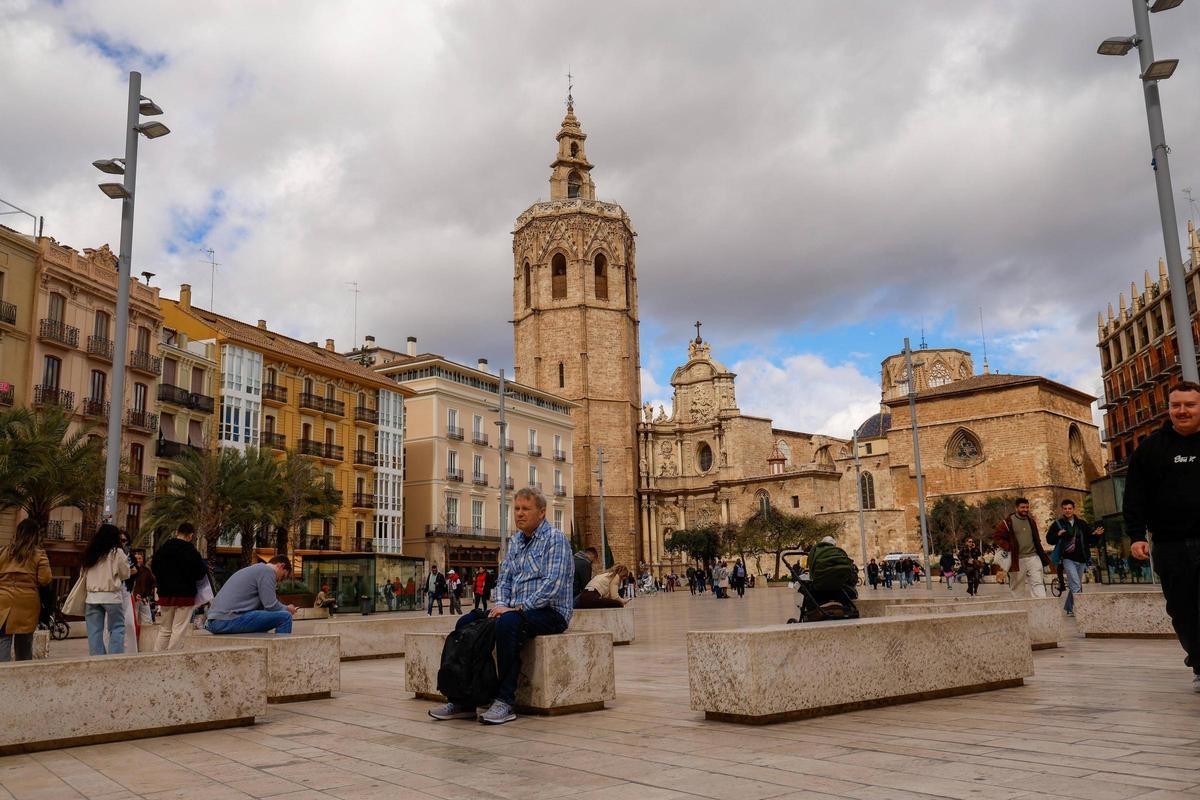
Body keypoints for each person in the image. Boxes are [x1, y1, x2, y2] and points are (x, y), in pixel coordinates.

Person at [428, 486, 573, 725]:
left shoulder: (555, 539)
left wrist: (516, 609)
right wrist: (502, 604)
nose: (519, 513)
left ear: (542, 513)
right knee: (467, 622)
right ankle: (464, 699)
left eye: (526, 509)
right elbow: (504, 579)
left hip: (550, 612)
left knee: (507, 623)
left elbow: (552, 585)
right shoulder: (515, 541)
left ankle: (505, 700)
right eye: (516, 508)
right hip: (514, 609)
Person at [1123, 381, 1200, 692]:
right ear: (1169, 408)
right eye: (1176, 405)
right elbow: (1134, 497)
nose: (1182, 411)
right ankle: (1199, 662)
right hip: (1170, 546)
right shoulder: (1151, 448)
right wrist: (1136, 535)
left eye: (1190, 405)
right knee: (1182, 610)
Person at [0, 519, 52, 662]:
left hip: (2, 601)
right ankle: (22, 676)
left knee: (3, 639)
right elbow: (45, 580)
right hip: (27, 602)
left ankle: (2, 675)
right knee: (24, 642)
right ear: (35, 535)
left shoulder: (3, 552)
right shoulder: (39, 555)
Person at [150, 522, 208, 651]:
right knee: (179, 628)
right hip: (185, 595)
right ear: (190, 536)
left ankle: (156, 655)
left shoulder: (163, 548)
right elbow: (200, 573)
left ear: (177, 533)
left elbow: (154, 568)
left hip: (165, 593)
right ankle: (171, 656)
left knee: (165, 628)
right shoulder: (191, 551)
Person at [205, 555, 297, 635]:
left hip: (216, 621)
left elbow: (264, 608)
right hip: (225, 620)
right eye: (282, 577)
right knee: (285, 617)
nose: (279, 581)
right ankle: (281, 654)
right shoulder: (268, 571)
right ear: (281, 566)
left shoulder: (256, 569)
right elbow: (270, 605)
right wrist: (287, 609)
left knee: (264, 622)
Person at [1045, 499, 1104, 617]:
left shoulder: (1082, 523)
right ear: (1062, 509)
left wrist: (1096, 535)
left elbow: (1089, 539)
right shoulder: (1058, 524)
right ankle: (1081, 608)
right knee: (1076, 584)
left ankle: (1068, 607)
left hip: (1082, 558)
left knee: (1075, 584)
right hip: (1067, 558)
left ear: (1073, 509)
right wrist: (1057, 535)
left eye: (1070, 508)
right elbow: (1049, 539)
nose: (1067, 511)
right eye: (1065, 509)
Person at [81, 523, 131, 656]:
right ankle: (114, 660)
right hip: (111, 596)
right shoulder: (117, 552)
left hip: (92, 597)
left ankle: (97, 660)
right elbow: (125, 573)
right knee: (117, 628)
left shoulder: (91, 553)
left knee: (94, 631)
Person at [993, 497, 1050, 599]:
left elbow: (1036, 540)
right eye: (1022, 507)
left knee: (1038, 583)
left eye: (1027, 507)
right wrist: (1009, 546)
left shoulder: (1031, 521)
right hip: (1017, 559)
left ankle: (1041, 607)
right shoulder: (1008, 522)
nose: (1025, 509)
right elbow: (997, 537)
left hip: (1033, 557)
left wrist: (1043, 557)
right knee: (1017, 587)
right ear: (1016, 508)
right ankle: (1020, 609)